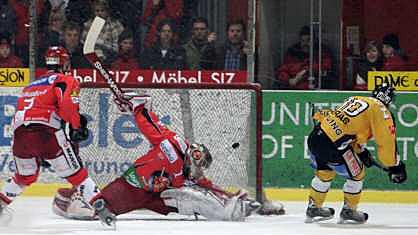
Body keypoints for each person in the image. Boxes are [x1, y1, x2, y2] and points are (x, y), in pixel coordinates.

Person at [52, 91, 260, 223]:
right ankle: (72, 198)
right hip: (132, 186)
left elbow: (205, 184)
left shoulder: (186, 166)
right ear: (191, 157)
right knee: (97, 210)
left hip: (154, 196)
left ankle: (231, 209)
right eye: (198, 166)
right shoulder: (171, 147)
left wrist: (229, 195)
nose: (198, 171)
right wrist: (139, 108)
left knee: (191, 196)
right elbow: (152, 128)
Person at [0, 46, 113, 226]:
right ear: (65, 63)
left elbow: (24, 115)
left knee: (25, 176)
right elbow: (67, 105)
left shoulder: (31, 85)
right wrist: (77, 126)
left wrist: (38, 150)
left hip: (21, 137)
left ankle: (1, 202)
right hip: (47, 133)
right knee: (77, 175)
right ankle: (101, 207)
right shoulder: (66, 79)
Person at [305, 83, 407, 224]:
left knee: (325, 172)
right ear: (389, 100)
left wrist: (361, 151)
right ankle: (349, 210)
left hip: (315, 137)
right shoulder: (381, 110)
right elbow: (386, 141)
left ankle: (313, 207)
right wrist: (395, 165)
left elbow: (349, 129)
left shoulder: (356, 99)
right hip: (332, 145)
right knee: (357, 173)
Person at [276, 25, 333, 89]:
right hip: (294, 90)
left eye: (308, 40)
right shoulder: (293, 52)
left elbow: (326, 67)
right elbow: (283, 70)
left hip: (316, 90)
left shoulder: (322, 51)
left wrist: (305, 71)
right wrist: (289, 80)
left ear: (314, 40)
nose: (305, 44)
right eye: (303, 41)